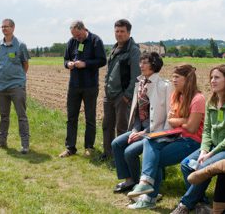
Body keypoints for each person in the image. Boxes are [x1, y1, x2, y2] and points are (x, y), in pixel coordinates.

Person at [127, 64, 204, 210]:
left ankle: (149, 196)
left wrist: (180, 121)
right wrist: (185, 120)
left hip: (192, 141)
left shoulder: (198, 98)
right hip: (177, 137)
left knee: (153, 160)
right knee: (149, 141)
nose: (173, 80)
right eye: (173, 77)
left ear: (187, 79)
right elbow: (171, 121)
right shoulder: (176, 95)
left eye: (177, 77)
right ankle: (146, 185)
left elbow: (193, 128)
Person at [111, 52, 171, 195]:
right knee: (116, 144)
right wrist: (134, 130)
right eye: (141, 62)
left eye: (145, 62)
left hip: (156, 131)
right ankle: (130, 180)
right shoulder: (140, 83)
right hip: (141, 128)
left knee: (129, 152)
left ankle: (142, 184)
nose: (141, 65)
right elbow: (138, 112)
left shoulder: (164, 86)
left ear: (154, 65)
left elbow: (166, 116)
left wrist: (144, 133)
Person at [171, 65, 225, 213]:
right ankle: (200, 202)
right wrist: (204, 150)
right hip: (211, 147)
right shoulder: (211, 103)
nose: (212, 81)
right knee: (186, 164)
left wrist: (211, 154)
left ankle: (185, 205)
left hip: (223, 149)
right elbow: (207, 131)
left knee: (203, 167)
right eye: (211, 77)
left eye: (217, 77)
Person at [59, 20, 107, 158]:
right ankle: (70, 148)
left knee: (90, 118)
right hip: (74, 85)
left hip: (90, 85)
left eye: (78, 35)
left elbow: (102, 60)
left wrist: (85, 64)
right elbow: (65, 60)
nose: (77, 38)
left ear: (84, 29)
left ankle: (89, 147)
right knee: (71, 117)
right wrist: (68, 64)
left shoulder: (95, 41)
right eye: (74, 36)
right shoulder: (71, 42)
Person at [0, 18, 31, 154]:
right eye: (2, 27)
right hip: (1, 86)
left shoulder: (20, 45)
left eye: (7, 27)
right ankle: (1, 142)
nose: (4, 29)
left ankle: (25, 145)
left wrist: (19, 79)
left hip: (16, 86)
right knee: (4, 116)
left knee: (21, 116)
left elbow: (25, 64)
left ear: (13, 28)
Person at [102, 19, 140, 160]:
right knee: (107, 125)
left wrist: (127, 95)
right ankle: (107, 153)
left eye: (122, 31)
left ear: (129, 33)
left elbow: (136, 75)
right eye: (117, 31)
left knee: (122, 128)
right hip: (110, 94)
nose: (119, 34)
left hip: (122, 95)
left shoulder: (133, 51)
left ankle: (122, 158)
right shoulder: (115, 48)